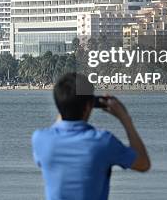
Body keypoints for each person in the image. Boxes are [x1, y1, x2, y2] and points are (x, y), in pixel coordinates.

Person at [32, 72, 150, 200]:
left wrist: (66, 105)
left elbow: (60, 121)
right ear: (89, 106)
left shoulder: (40, 139)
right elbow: (143, 164)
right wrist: (125, 118)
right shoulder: (103, 141)